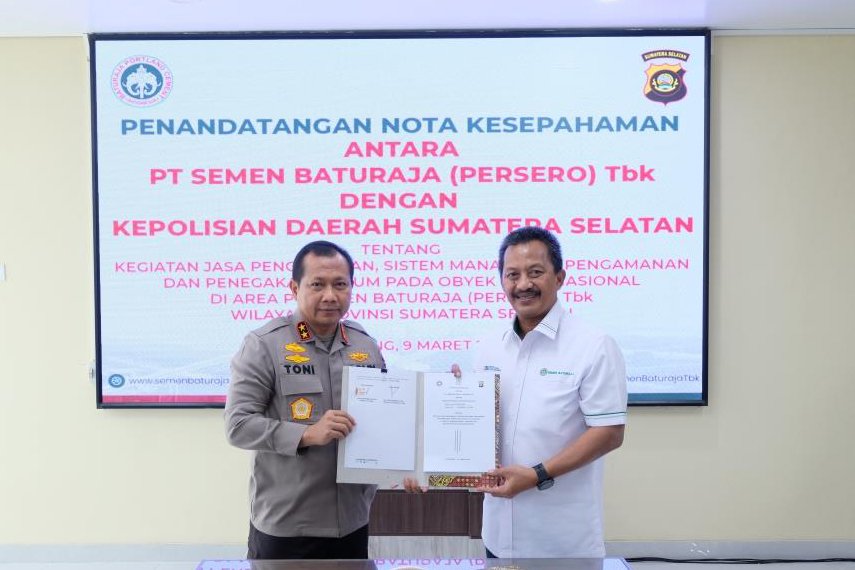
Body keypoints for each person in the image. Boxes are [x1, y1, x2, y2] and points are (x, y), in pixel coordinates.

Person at [407, 226, 627, 558]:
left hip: (563, 541)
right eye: (512, 275)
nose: (523, 284)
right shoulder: (489, 346)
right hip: (498, 535)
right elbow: (479, 428)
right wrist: (455, 394)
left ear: (560, 277)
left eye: (535, 272)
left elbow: (609, 433)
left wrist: (537, 474)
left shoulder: (594, 345)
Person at [225, 240, 385, 560]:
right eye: (317, 284)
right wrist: (307, 434)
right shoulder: (264, 345)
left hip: (352, 520)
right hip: (288, 525)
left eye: (340, 284)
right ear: (295, 288)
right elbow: (238, 425)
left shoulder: (365, 345)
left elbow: (387, 418)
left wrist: (451, 388)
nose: (330, 295)